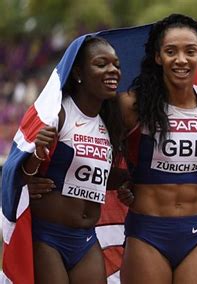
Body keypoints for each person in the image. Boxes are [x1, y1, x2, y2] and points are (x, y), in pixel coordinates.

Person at [117, 14, 197, 283]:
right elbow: (95, 152)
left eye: (190, 51)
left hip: (196, 230)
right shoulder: (131, 107)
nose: (181, 60)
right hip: (147, 231)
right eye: (171, 51)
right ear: (158, 57)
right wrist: (123, 181)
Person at [19, 36, 124, 283]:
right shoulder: (56, 113)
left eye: (116, 65)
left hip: (86, 238)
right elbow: (19, 174)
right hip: (48, 237)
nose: (113, 70)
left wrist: (128, 182)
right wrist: (35, 156)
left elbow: (95, 176)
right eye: (102, 64)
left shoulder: (109, 120)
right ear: (78, 72)